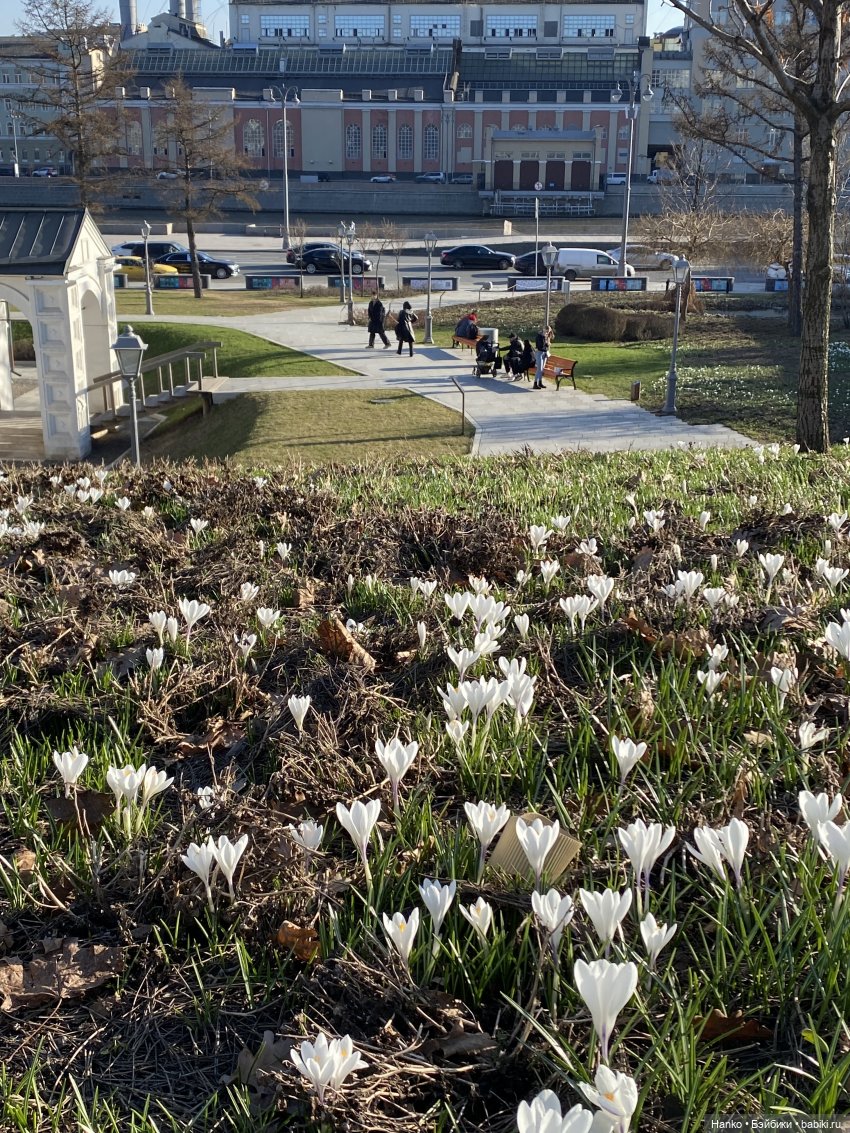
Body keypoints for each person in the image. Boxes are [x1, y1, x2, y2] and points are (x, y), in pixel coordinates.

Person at [533, 325, 553, 390]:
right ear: (544, 329)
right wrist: (547, 344)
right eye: (547, 331)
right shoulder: (539, 336)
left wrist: (547, 343)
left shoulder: (545, 336)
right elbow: (540, 346)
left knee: (542, 369)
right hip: (539, 353)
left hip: (544, 353)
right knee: (539, 369)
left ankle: (540, 382)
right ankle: (535, 383)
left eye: (548, 332)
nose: (547, 333)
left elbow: (545, 345)